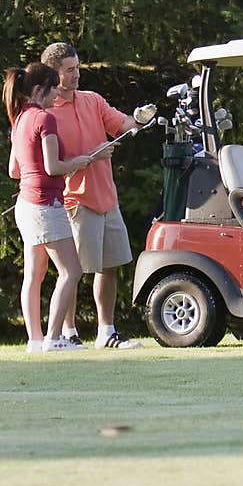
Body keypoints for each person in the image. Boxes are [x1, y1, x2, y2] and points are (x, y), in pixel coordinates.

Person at [39, 41, 144, 349]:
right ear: (54, 73)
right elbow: (55, 163)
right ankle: (69, 332)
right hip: (76, 201)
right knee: (73, 272)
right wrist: (93, 154)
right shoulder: (48, 114)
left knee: (109, 266)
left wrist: (139, 118)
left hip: (106, 196)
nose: (76, 75)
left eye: (78, 68)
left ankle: (106, 331)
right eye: (69, 70)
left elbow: (123, 124)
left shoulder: (92, 100)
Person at [2, 62, 100, 354]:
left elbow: (13, 170)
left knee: (33, 275)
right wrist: (78, 163)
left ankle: (35, 339)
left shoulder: (19, 119)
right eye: (53, 87)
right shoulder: (45, 120)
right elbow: (54, 166)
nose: (58, 92)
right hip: (47, 205)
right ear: (38, 90)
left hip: (26, 205)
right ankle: (54, 337)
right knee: (71, 270)